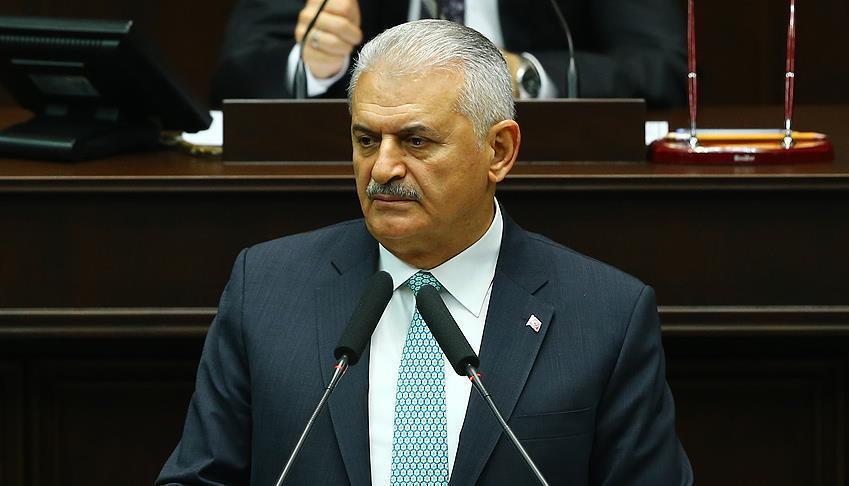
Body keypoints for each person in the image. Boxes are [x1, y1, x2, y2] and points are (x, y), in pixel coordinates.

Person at [159, 20, 692, 485]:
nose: (383, 168)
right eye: (367, 140)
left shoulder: (606, 316)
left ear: (499, 151)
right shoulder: (266, 289)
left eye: (416, 142)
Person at [210, 0, 686, 107]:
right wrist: (314, 64)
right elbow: (235, 76)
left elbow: (665, 69)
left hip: (545, 167)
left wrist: (523, 75)